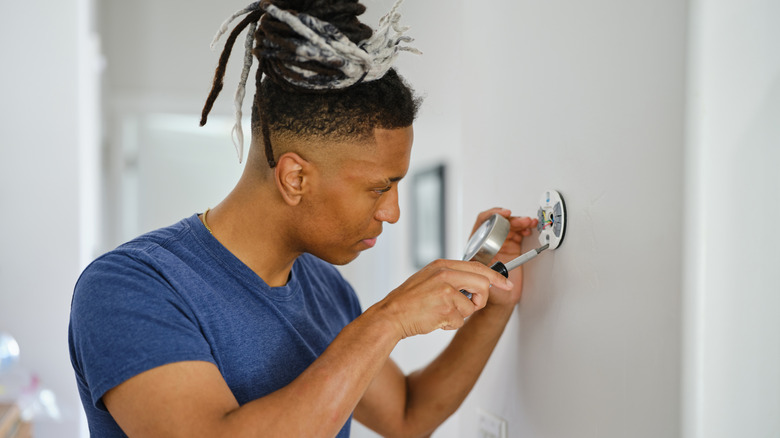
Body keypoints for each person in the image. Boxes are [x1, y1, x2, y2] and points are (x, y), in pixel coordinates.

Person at [68, 0, 538, 436]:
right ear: (295, 177)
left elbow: (407, 414)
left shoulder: (324, 288)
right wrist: (387, 321)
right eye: (379, 187)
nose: (392, 212)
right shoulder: (130, 287)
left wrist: (495, 301)